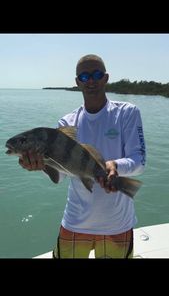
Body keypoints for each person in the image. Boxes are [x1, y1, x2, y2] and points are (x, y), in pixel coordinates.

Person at [19, 54, 146, 258]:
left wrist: (115, 166)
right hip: (75, 221)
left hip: (117, 224)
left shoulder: (127, 113)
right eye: (85, 77)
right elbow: (60, 176)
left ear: (105, 78)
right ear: (78, 82)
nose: (91, 81)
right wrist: (41, 165)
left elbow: (139, 161)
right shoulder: (67, 122)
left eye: (96, 74)